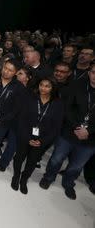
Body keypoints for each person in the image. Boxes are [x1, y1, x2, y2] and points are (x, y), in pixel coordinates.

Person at [39, 62, 95, 200]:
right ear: (89, 72)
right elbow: (67, 108)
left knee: (77, 165)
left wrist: (88, 131)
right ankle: (49, 177)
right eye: (94, 72)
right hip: (69, 132)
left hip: (91, 138)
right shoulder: (76, 86)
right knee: (56, 158)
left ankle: (68, 183)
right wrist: (77, 127)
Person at [11, 77, 63, 194]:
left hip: (42, 140)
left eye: (47, 86)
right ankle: (16, 176)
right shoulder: (30, 98)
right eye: (41, 85)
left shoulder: (58, 104)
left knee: (32, 162)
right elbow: (21, 120)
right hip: (25, 136)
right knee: (19, 158)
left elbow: (56, 127)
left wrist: (42, 141)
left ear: (53, 88)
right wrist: (28, 137)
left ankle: (24, 179)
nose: (43, 88)